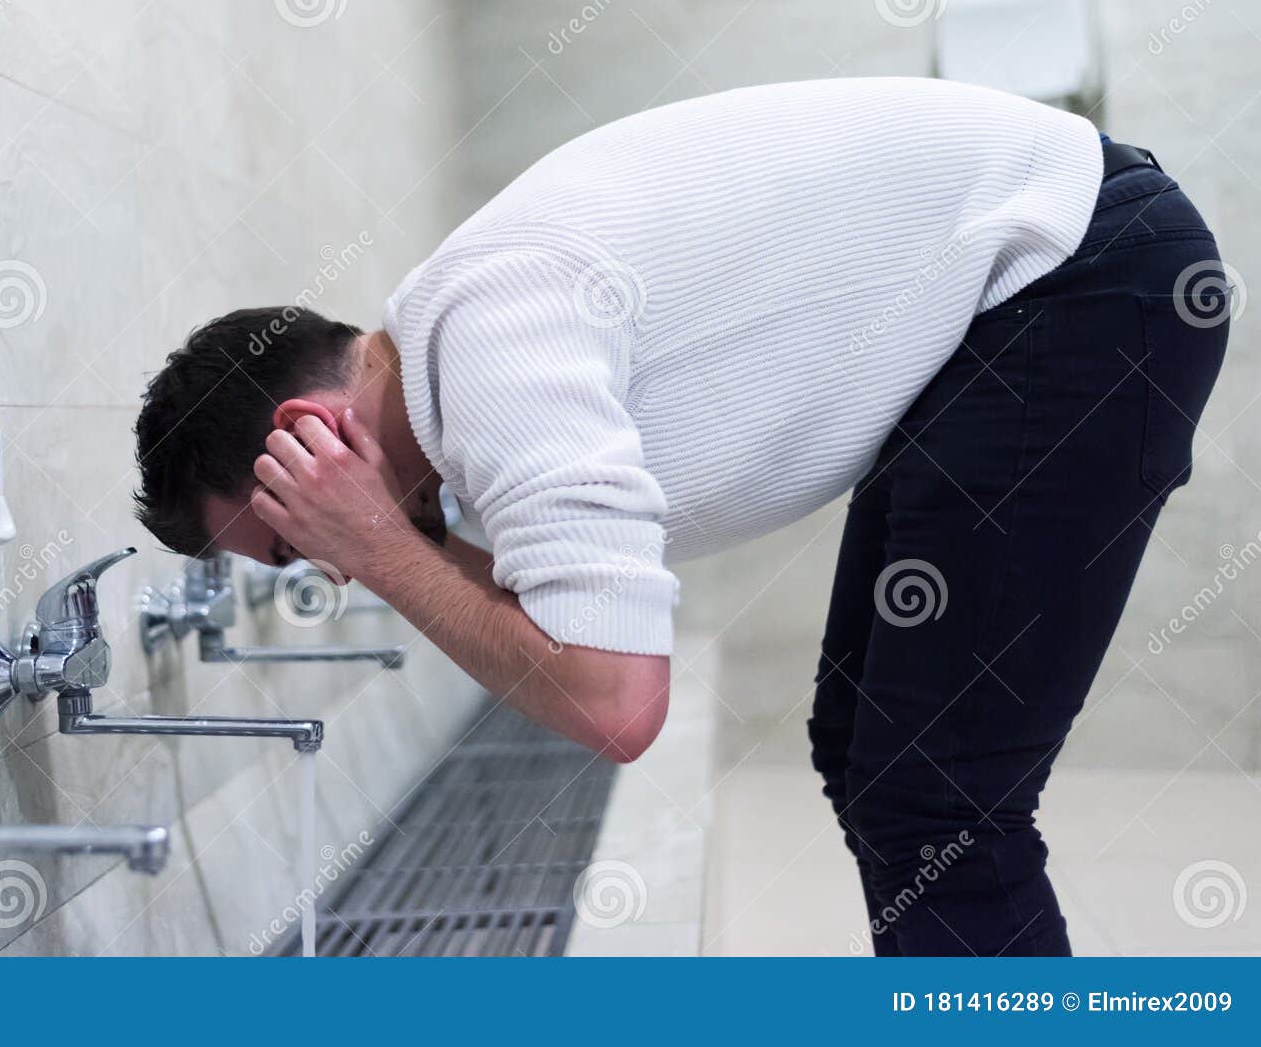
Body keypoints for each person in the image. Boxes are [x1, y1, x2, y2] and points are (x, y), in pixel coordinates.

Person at [132, 77, 1230, 955]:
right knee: (868, 755)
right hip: (1027, 293)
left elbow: (615, 703)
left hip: (1079, 275)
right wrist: (396, 542)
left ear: (310, 437)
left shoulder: (489, 347)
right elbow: (544, 628)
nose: (318, 572)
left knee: (936, 797)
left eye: (289, 538)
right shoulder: (454, 359)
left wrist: (375, 544)